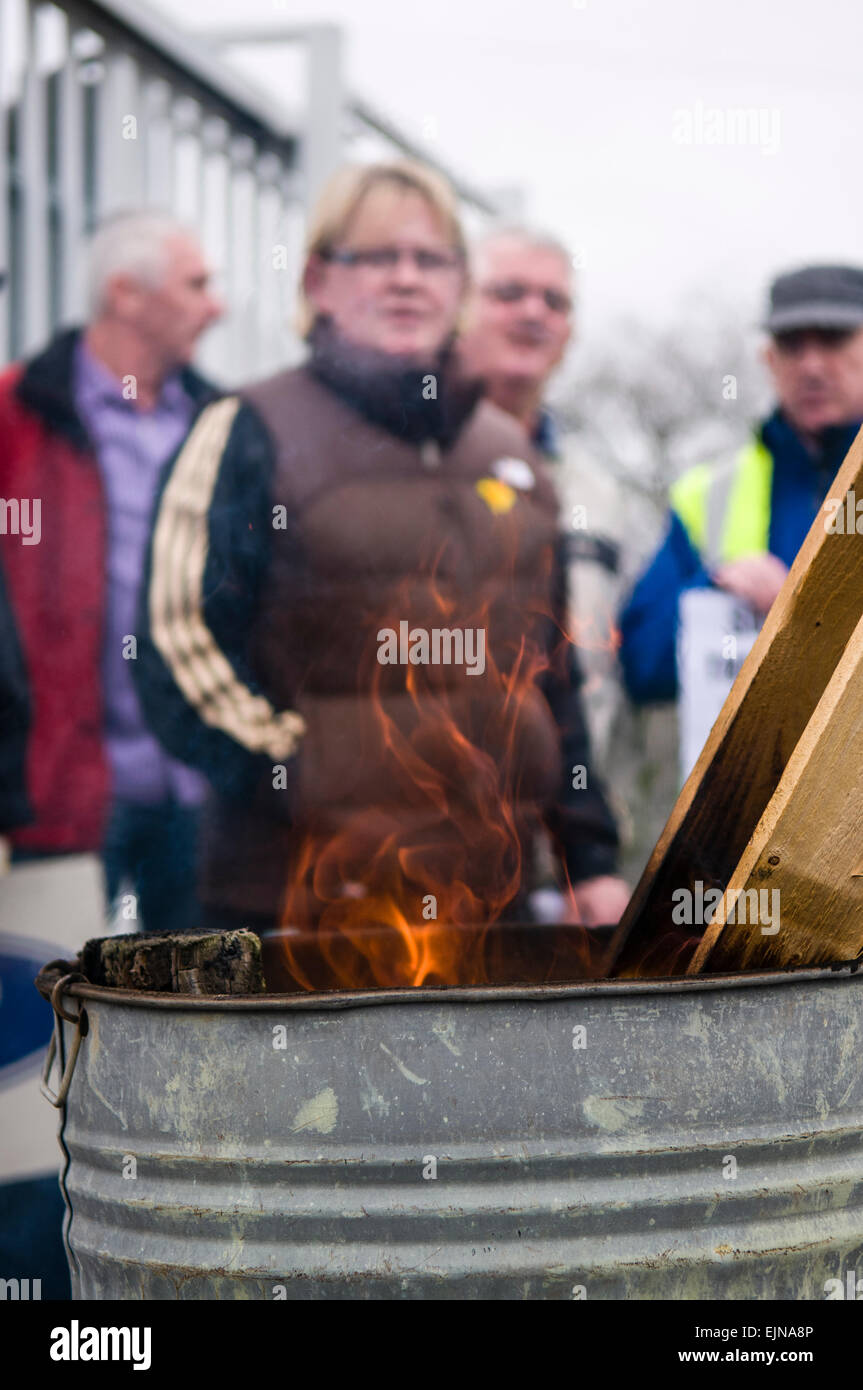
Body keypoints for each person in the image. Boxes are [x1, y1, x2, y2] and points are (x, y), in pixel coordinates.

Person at [135, 160, 624, 952]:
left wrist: (588, 859)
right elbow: (174, 644)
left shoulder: (516, 459)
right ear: (321, 282)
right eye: (375, 257)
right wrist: (301, 774)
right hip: (295, 904)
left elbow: (551, 675)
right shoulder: (247, 428)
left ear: (459, 285)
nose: (405, 279)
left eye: (429, 259)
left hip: (485, 900)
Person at [0, 210, 222, 929]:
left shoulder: (220, 425)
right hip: (54, 793)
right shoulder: (15, 414)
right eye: (196, 285)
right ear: (126, 294)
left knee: (199, 1025)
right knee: (55, 1024)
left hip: (198, 790)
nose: (215, 306)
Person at [458, 226, 631, 926]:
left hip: (550, 843)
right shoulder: (411, 465)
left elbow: (600, 668)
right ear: (459, 307)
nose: (533, 313)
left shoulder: (597, 489)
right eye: (508, 293)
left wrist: (586, 858)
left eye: (553, 301)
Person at [619, 264, 863, 705]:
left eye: (833, 339)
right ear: (769, 359)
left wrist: (800, 608)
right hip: (755, 774)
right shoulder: (706, 494)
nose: (811, 365)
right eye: (792, 345)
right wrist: (714, 594)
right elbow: (642, 665)